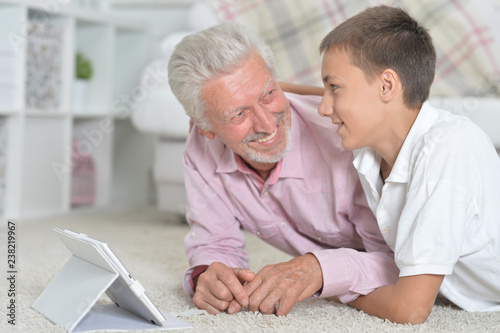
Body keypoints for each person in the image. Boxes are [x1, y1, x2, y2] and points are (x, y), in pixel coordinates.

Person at [167, 22, 399, 316]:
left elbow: (404, 263)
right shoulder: (202, 147)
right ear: (205, 127)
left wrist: (319, 268)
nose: (267, 125)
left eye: (268, 95)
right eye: (238, 113)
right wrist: (210, 275)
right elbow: (216, 241)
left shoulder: (348, 140)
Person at [317, 5, 500, 324]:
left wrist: (335, 287)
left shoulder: (446, 147)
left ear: (387, 86)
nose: (322, 107)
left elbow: (409, 309)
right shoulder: (372, 155)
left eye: (334, 87)